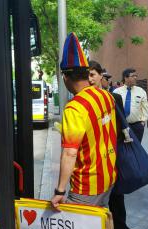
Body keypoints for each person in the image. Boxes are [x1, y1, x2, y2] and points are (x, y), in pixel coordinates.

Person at [51, 33, 118, 211]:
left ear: (66, 77)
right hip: (108, 176)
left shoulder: (74, 108)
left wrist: (60, 190)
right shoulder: (106, 96)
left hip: (86, 186)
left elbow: (70, 154)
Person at [88, 60, 139, 229]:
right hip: (91, 158)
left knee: (117, 194)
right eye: (87, 75)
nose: (90, 79)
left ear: (101, 76)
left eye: (93, 74)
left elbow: (121, 124)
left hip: (112, 153)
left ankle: (120, 226)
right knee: (94, 196)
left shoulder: (113, 97)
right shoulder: (80, 99)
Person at [113, 68, 148, 142]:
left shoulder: (141, 91)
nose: (135, 78)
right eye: (133, 76)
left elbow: (145, 108)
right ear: (125, 78)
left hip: (137, 126)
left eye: (136, 76)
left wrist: (143, 122)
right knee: (123, 149)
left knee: (137, 149)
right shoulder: (117, 92)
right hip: (122, 126)